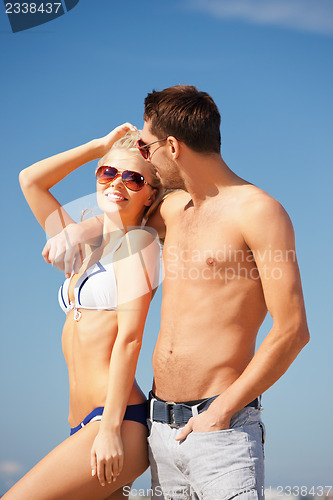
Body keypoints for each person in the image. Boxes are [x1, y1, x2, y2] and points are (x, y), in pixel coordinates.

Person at [43, 85, 310, 500]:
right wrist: (81, 228)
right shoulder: (171, 210)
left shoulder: (259, 212)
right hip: (160, 431)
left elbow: (292, 330)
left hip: (221, 432)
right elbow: (126, 214)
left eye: (146, 148)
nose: (142, 157)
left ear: (172, 145)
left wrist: (221, 413)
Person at [4, 125, 162, 500]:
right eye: (108, 172)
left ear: (151, 194)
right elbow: (30, 181)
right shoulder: (79, 243)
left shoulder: (139, 243)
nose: (117, 184)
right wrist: (98, 147)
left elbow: (130, 338)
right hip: (81, 422)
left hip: (117, 421)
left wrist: (108, 428)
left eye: (133, 178)